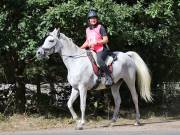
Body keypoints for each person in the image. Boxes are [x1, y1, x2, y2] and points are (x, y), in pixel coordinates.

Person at [80, 10, 113, 86]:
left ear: (97, 19)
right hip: (92, 50)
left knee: (99, 61)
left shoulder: (100, 27)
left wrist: (97, 42)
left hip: (101, 49)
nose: (93, 20)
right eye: (91, 18)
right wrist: (79, 48)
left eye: (94, 18)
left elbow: (106, 39)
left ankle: (109, 77)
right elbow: (87, 42)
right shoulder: (87, 30)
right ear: (89, 20)